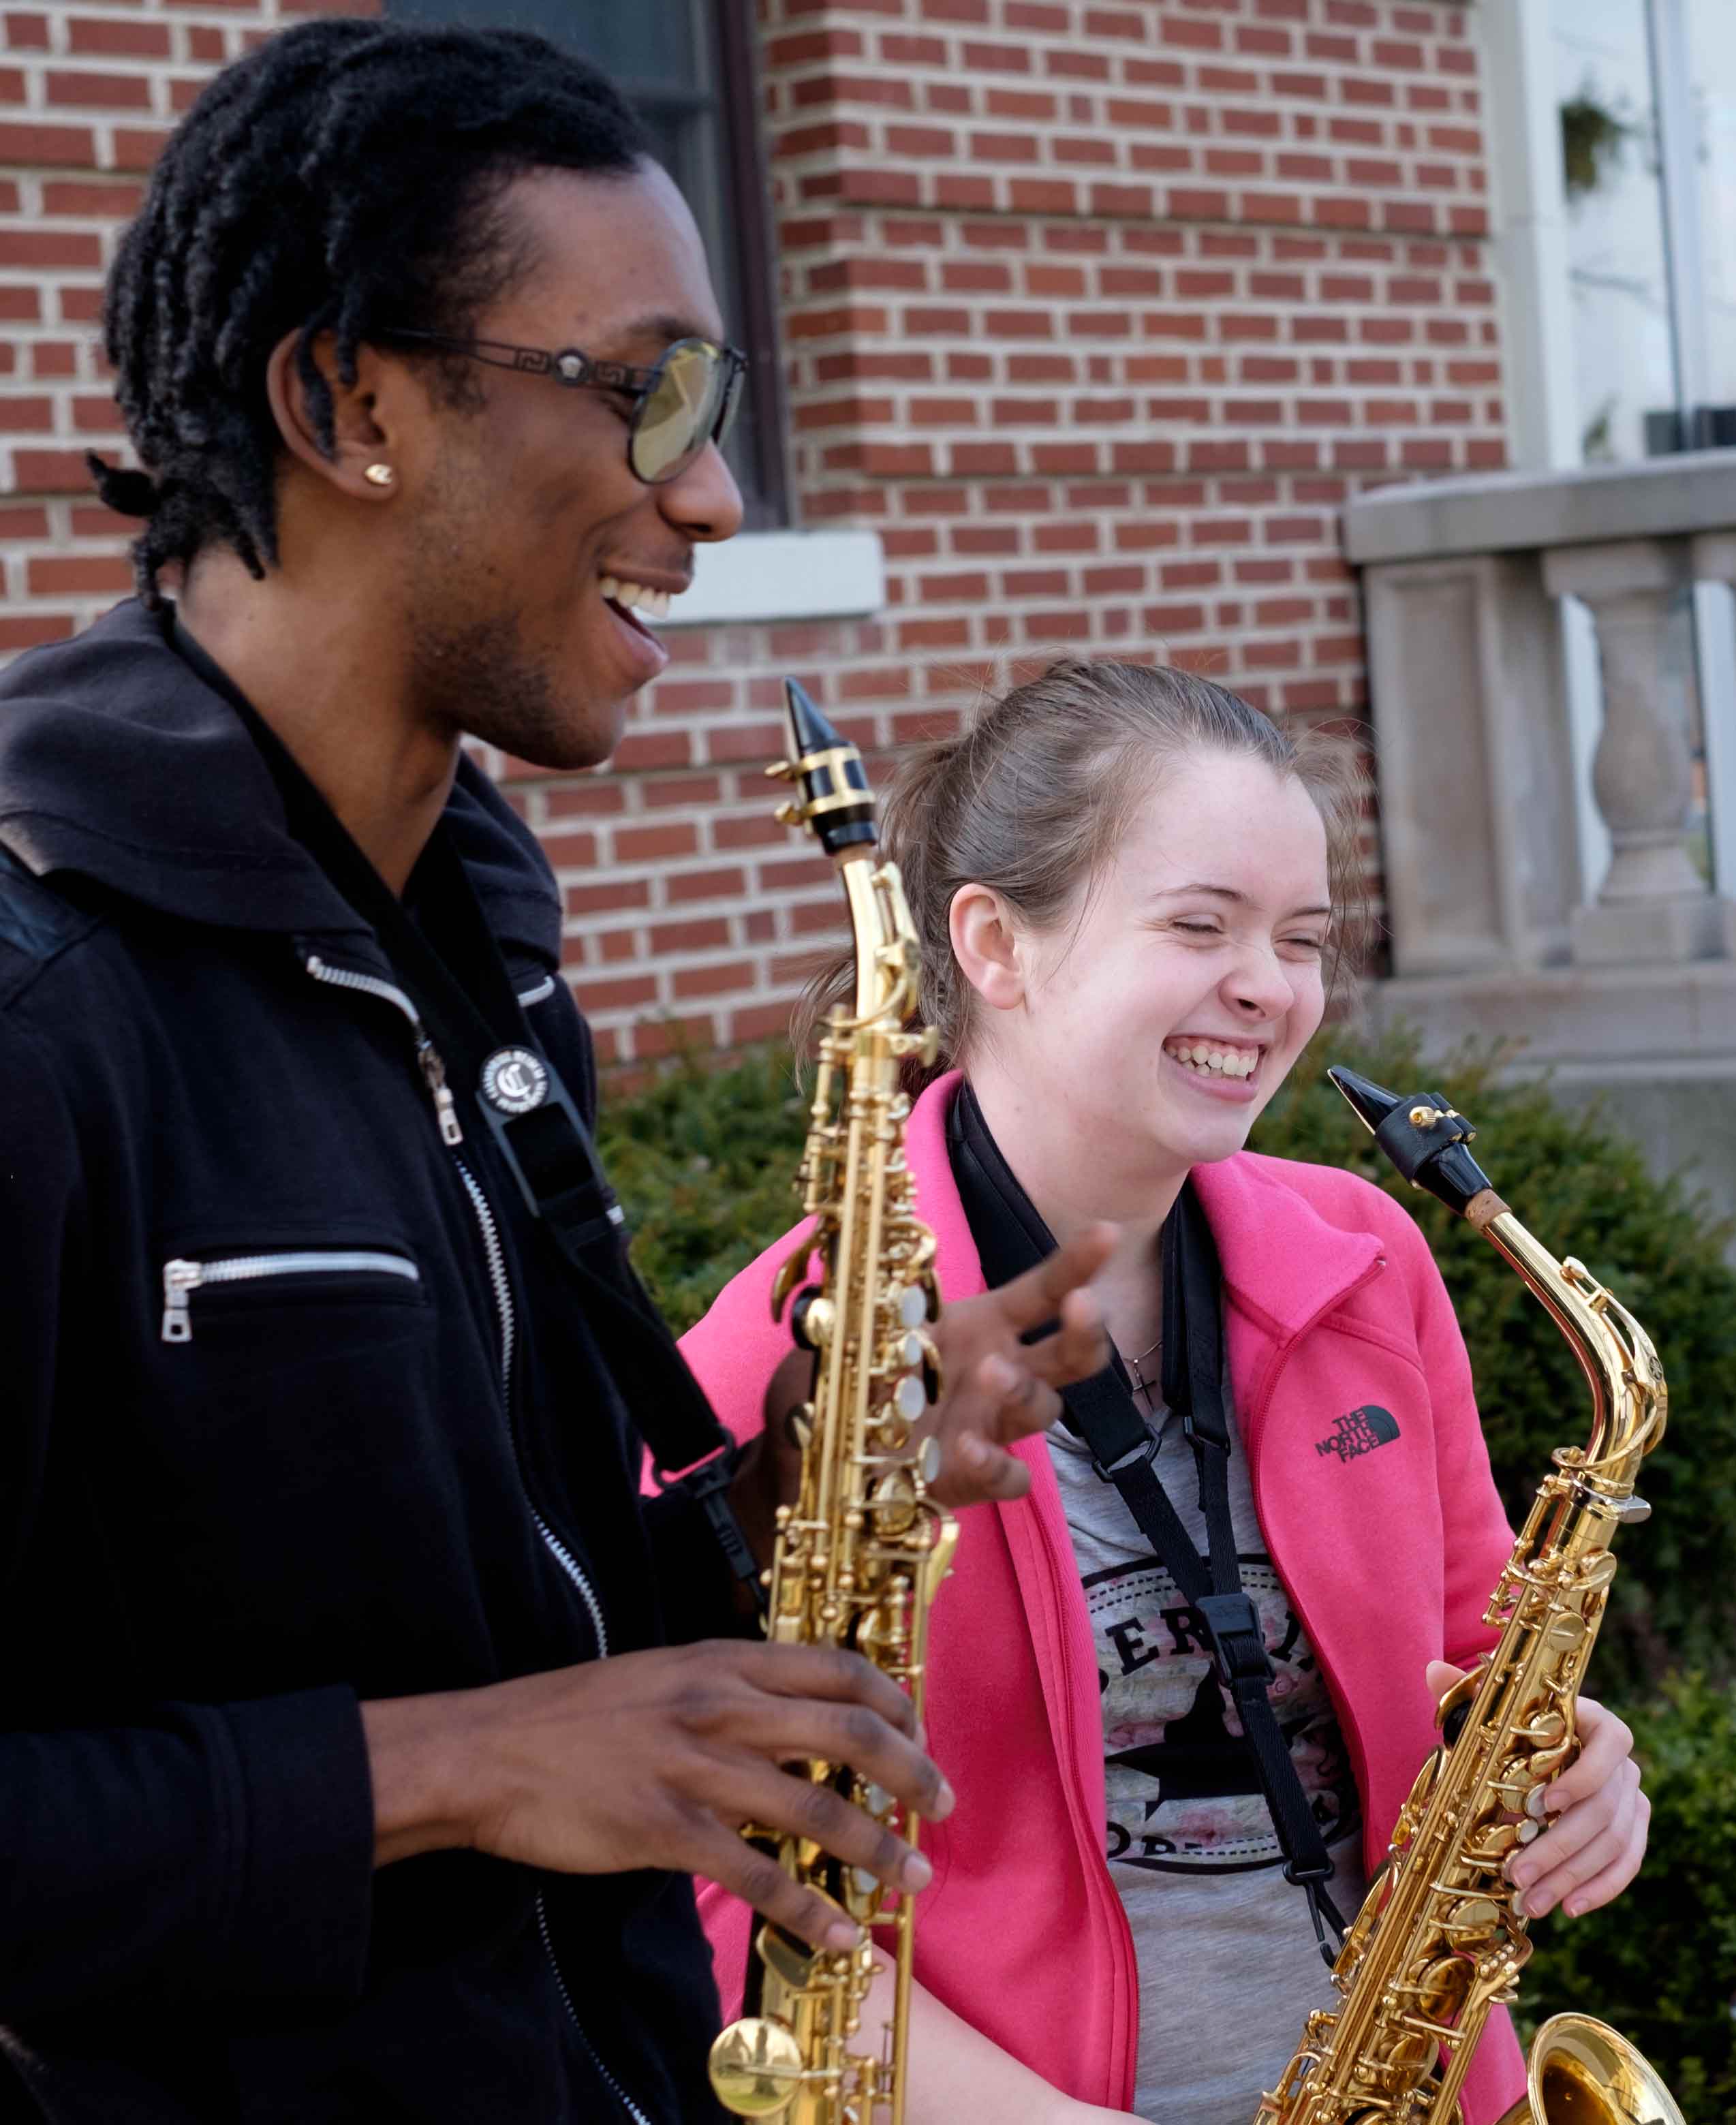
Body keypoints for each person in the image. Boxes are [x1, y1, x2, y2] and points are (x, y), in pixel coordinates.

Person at [0, 22, 1115, 2122]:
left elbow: (497, 1574)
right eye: (647, 394)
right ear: (347, 403)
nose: (707, 494)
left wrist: (797, 1490)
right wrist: (455, 1765)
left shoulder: (476, 935)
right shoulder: (41, 1001)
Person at [681, 657, 1652, 2125]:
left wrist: (1577, 1776)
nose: (1268, 988)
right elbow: (714, 1893)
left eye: (1302, 939)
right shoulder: (780, 1361)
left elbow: (1467, 1662)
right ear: (995, 946)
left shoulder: (1367, 1256)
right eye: (1199, 925)